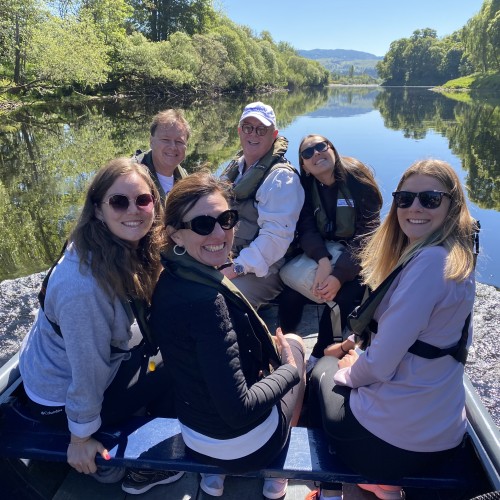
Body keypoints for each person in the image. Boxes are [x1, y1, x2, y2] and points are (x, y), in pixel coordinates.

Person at [306, 159, 477, 500]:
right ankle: (377, 486)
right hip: (440, 434)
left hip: (392, 444)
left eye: (429, 199)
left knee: (320, 371)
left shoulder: (429, 263)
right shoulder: (457, 255)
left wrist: (348, 371)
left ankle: (325, 489)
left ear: (452, 205)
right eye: (405, 199)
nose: (415, 207)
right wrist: (356, 344)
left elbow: (380, 365)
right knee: (339, 360)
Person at [19, 158, 184, 494]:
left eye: (143, 200)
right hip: (59, 401)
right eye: (118, 202)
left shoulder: (119, 246)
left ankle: (128, 413)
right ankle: (149, 467)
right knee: (178, 361)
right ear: (97, 210)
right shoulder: (84, 288)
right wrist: (81, 438)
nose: (133, 211)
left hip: (72, 371)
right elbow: (87, 367)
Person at [149, 171, 306, 499]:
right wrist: (290, 370)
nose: (220, 232)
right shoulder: (208, 303)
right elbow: (239, 410)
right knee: (294, 345)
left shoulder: (168, 279)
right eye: (203, 225)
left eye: (227, 219)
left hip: (196, 438)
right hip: (244, 448)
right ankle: (277, 474)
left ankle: (213, 480)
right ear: (176, 235)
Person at [279, 135, 382, 374]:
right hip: (322, 253)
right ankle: (286, 346)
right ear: (303, 165)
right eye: (307, 153)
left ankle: (318, 354)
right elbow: (306, 227)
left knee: (342, 297)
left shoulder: (357, 177)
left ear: (332, 150)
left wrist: (338, 275)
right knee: (289, 296)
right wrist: (323, 261)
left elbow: (368, 234)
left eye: (320, 147)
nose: (315, 154)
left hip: (356, 256)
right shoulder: (304, 187)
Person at [219, 101, 304, 310]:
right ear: (239, 131)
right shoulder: (236, 167)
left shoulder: (281, 178)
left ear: (274, 134)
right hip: (229, 255)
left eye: (261, 129)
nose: (253, 134)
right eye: (248, 128)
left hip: (265, 267)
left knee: (220, 302)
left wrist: (235, 268)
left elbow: (275, 239)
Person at [134, 108, 190, 200]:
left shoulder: (186, 180)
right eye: (165, 140)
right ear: (151, 142)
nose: (173, 147)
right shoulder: (129, 176)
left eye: (179, 141)